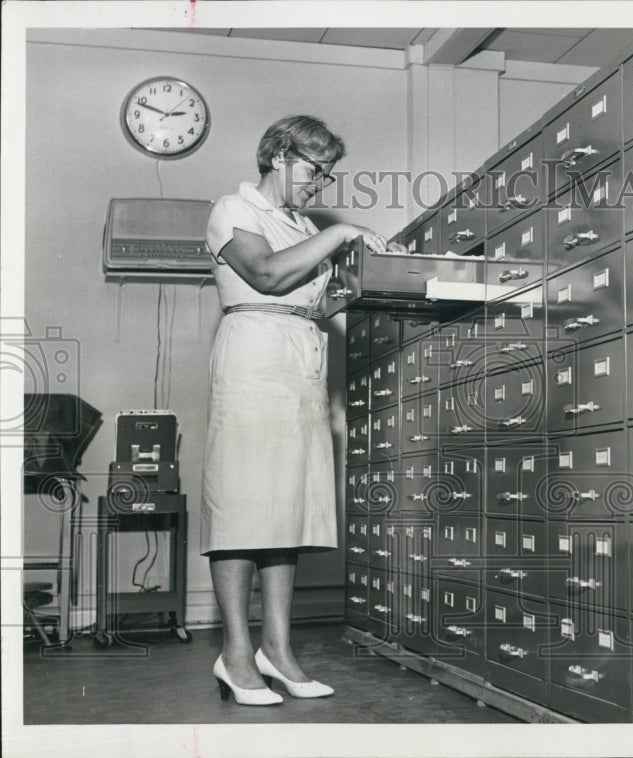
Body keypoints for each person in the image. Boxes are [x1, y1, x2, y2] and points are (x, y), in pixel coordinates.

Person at [201, 115, 398, 705]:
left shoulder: (299, 224)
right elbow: (264, 273)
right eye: (316, 170)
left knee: (283, 509)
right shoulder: (231, 210)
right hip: (252, 357)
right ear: (280, 156)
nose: (320, 184)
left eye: (328, 174)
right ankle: (236, 656)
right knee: (242, 505)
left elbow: (310, 305)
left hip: (298, 359)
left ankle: (278, 652)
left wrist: (347, 292)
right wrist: (342, 236)